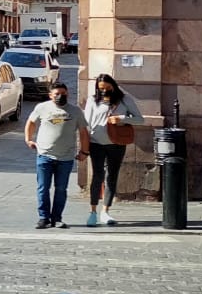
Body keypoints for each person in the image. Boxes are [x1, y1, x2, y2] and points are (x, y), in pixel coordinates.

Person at [83, 73, 145, 227]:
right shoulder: (92, 100)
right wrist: (84, 144)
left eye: (107, 88)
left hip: (116, 143)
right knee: (98, 175)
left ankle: (105, 210)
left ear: (113, 86)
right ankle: (92, 211)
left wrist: (122, 119)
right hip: (96, 143)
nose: (104, 91)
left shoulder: (124, 99)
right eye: (101, 89)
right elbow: (86, 122)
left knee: (112, 175)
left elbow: (140, 119)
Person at [25, 82, 89, 229]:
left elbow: (83, 132)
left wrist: (85, 151)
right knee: (43, 187)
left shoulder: (75, 111)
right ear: (50, 95)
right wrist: (28, 139)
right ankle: (43, 218)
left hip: (65, 158)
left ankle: (57, 218)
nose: (61, 96)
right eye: (57, 94)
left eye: (63, 94)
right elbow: (31, 122)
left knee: (61, 189)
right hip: (44, 155)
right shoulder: (42, 108)